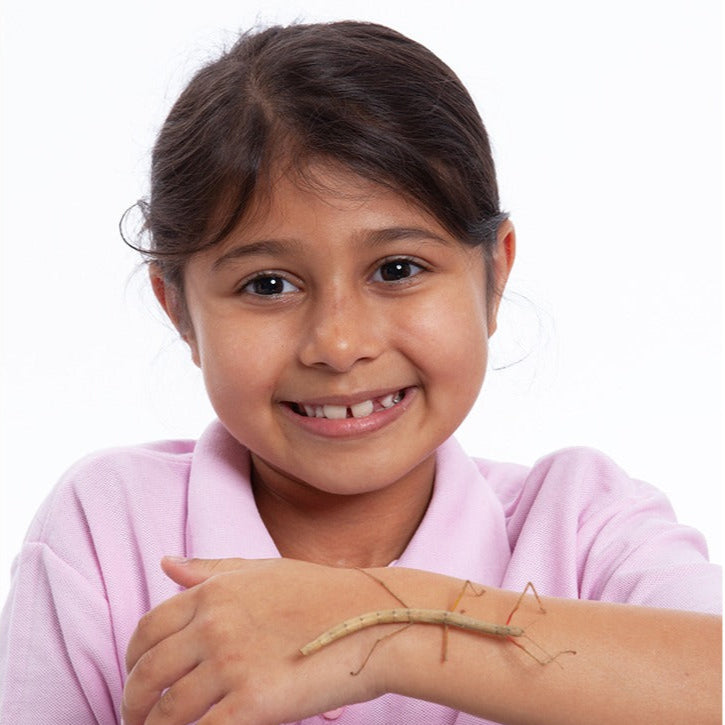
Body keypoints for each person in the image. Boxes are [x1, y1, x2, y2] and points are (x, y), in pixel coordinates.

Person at [0, 20, 720, 725]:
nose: (338, 344)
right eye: (267, 285)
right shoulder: (107, 530)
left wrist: (375, 624)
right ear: (180, 309)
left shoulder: (585, 527)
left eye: (397, 269)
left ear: (493, 275)